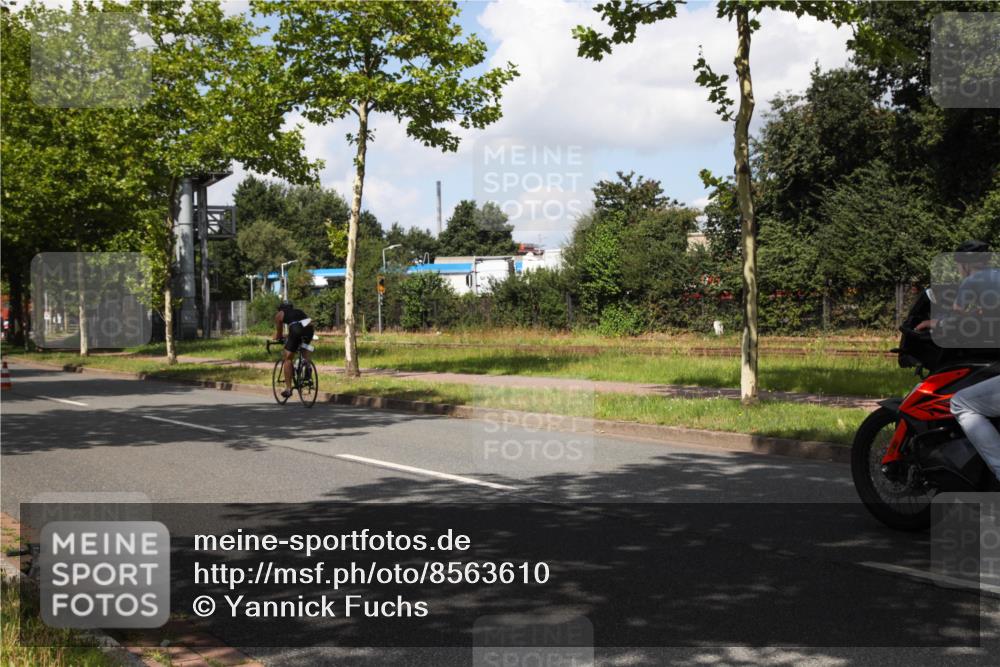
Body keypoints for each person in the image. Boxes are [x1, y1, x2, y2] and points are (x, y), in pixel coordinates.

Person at [274, 300, 314, 398]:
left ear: (281, 308)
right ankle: (307, 366)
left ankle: (288, 389)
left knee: (288, 358)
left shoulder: (280, 314)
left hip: (296, 330)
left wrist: (278, 338)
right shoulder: (299, 311)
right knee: (304, 348)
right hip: (309, 329)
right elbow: (309, 321)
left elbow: (279, 332)